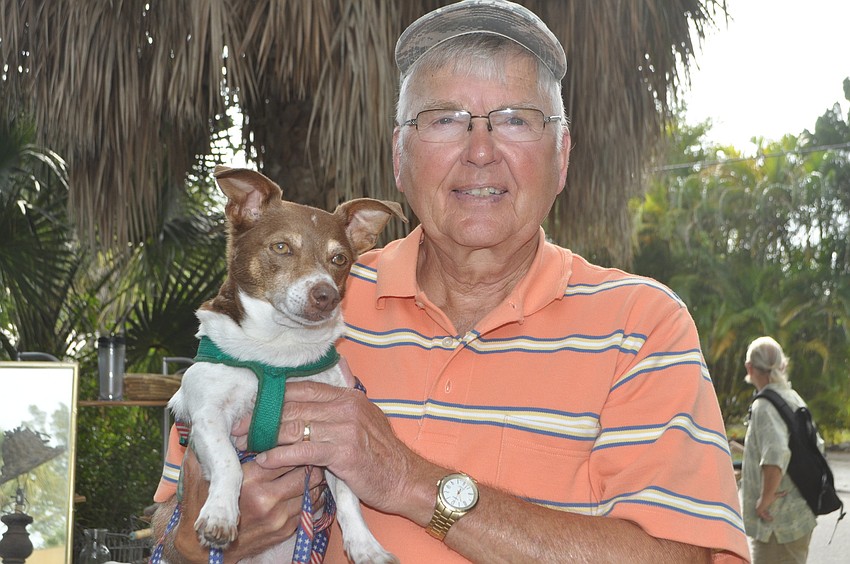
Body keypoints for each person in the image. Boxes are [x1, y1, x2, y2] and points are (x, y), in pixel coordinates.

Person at [151, 1, 749, 562]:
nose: (480, 151)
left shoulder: (640, 326)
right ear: (399, 157)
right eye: (444, 120)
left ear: (562, 155)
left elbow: (683, 555)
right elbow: (169, 520)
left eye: (516, 119)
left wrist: (410, 482)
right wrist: (190, 536)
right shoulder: (305, 308)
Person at [741, 336, 819, 563]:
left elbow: (776, 453)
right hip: (797, 515)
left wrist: (764, 500)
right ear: (783, 365)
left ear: (749, 367)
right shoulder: (791, 397)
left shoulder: (764, 405)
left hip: (777, 523)